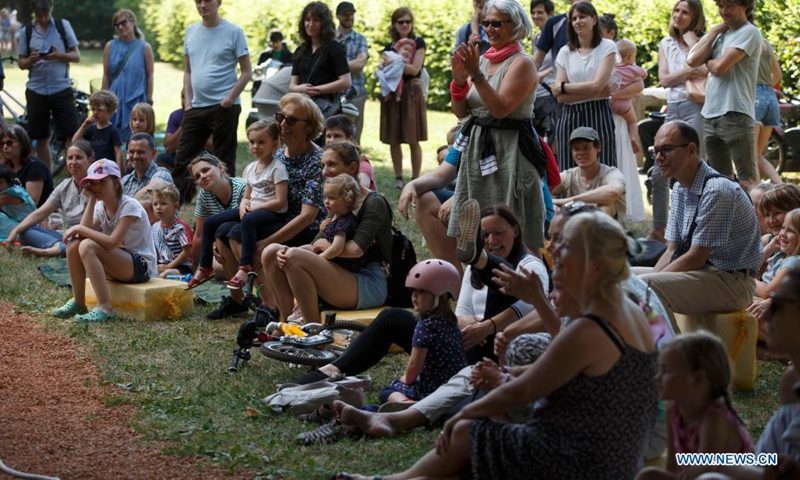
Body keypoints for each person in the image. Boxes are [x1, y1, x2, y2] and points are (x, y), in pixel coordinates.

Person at [335, 210, 657, 480]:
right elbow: (581, 370)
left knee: (467, 433)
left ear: (596, 265)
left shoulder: (591, 324)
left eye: (564, 250)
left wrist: (468, 414)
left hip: (583, 460)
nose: (553, 255)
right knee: (472, 445)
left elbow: (524, 391)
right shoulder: (622, 309)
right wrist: (509, 374)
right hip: (610, 456)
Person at [292, 204, 546, 387]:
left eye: (498, 233)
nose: (492, 239)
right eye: (485, 235)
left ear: (515, 230)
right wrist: (468, 324)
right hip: (464, 341)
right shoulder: (471, 272)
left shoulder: (532, 266)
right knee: (392, 317)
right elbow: (463, 312)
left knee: (505, 286)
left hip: (496, 348)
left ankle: (481, 260)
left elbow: (534, 309)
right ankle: (331, 370)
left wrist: (487, 327)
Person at [635, 121, 761, 330]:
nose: (658, 158)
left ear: (691, 149)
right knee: (623, 277)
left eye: (666, 149)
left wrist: (648, 283)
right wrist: (646, 280)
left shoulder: (717, 190)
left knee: (646, 288)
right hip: (704, 273)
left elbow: (696, 256)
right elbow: (672, 250)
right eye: (654, 151)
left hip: (733, 282)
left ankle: (673, 355)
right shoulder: (680, 188)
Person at [215, 94, 328, 319]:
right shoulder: (275, 153)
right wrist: (246, 202)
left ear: (309, 127)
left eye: (292, 120)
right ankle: (238, 301)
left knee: (238, 235)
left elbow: (307, 217)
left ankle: (271, 306)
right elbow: (254, 189)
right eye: (281, 117)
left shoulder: (318, 161)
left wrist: (266, 242)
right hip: (273, 217)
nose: (283, 125)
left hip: (305, 228)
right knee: (221, 233)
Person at [261, 139, 391, 324]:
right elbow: (316, 243)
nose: (324, 171)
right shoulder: (337, 200)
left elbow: (355, 250)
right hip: (339, 269)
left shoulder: (373, 202)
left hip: (367, 281)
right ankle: (287, 321)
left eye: (332, 164)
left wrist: (318, 248)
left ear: (353, 167)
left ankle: (311, 329)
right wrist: (295, 250)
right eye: (322, 165)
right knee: (271, 252)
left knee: (295, 256)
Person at [449, 0, 544, 251]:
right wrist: (459, 82)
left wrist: (475, 75)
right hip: (478, 152)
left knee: (515, 225)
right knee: (474, 228)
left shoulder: (521, 63)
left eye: (496, 23)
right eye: (486, 23)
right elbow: (461, 112)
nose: (489, 29)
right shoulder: (481, 61)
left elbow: (500, 109)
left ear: (515, 26)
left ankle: (527, 284)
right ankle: (478, 283)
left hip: (511, 153)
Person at [636, 332, 755, 480]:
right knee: (648, 475)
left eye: (666, 370)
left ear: (698, 378)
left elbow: (707, 468)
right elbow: (673, 466)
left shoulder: (714, 419)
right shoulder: (672, 411)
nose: (657, 377)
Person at [51, 159, 157, 323]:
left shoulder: (130, 206)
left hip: (141, 267)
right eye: (93, 183)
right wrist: (92, 200)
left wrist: (79, 228)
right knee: (74, 245)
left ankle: (105, 309)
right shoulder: (100, 206)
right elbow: (82, 235)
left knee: (87, 245)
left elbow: (112, 242)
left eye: (102, 182)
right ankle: (79, 302)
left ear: (116, 182)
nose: (97, 187)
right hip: (119, 263)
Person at [173, 0, 251, 201]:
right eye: (198, 1)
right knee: (183, 160)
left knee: (224, 161)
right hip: (196, 108)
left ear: (218, 2)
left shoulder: (234, 31)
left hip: (224, 107)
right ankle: (173, 209)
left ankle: (229, 207)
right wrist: (188, 103)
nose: (202, 5)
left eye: (207, 0)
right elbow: (188, 70)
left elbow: (246, 72)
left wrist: (229, 98)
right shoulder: (191, 32)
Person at [649, 0, 708, 243]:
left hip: (697, 105)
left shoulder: (703, 41)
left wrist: (695, 49)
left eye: (685, 12)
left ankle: (695, 229)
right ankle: (658, 230)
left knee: (694, 167)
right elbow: (664, 79)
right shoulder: (666, 43)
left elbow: (707, 71)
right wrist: (688, 70)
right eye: (676, 10)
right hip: (673, 108)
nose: (679, 15)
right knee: (658, 171)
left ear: (695, 17)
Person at [686, 0, 762, 190]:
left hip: (736, 112)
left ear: (745, 5)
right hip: (711, 113)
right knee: (720, 181)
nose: (723, 11)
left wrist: (709, 62)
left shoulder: (749, 32)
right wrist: (713, 31)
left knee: (747, 181)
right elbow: (692, 60)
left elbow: (719, 67)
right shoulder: (721, 34)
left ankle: (755, 219)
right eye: (720, 6)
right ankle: (727, 219)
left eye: (729, 5)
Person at [379, 260, 466, 405]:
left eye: (422, 292)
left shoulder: (425, 327)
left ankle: (407, 403)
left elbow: (414, 366)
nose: (414, 296)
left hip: (432, 390)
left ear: (443, 296)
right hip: (455, 387)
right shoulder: (452, 324)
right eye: (414, 290)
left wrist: (405, 379)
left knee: (388, 391)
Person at [552, 1, 618, 170]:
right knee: (568, 170)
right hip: (569, 116)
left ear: (594, 19)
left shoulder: (607, 47)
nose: (578, 21)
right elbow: (559, 97)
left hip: (599, 113)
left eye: (582, 16)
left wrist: (565, 87)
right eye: (574, 18)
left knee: (604, 168)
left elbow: (597, 85)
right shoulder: (565, 52)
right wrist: (596, 92)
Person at [224, 119, 288, 290]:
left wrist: (254, 208)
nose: (255, 146)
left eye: (261, 142)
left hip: (273, 212)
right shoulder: (252, 167)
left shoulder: (278, 168)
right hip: (254, 209)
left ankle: (245, 268)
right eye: (252, 142)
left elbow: (281, 201)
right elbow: (247, 196)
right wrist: (243, 204)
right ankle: (204, 267)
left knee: (248, 221)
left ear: (275, 144)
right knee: (217, 225)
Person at [17, 0, 80, 168]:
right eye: (39, 16)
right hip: (36, 89)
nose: (43, 19)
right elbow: (21, 63)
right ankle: (47, 177)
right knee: (40, 136)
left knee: (71, 135)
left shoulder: (62, 26)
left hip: (61, 87)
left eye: (46, 15)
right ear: (34, 13)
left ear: (51, 10)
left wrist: (60, 55)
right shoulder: (27, 32)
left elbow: (76, 56)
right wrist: (31, 59)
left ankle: (73, 171)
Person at [4, 141, 91, 257]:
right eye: (70, 158)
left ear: (90, 160)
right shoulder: (64, 186)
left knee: (83, 244)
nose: (73, 162)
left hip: (90, 236)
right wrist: (15, 232)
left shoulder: (97, 184)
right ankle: (59, 247)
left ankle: (48, 251)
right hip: (68, 236)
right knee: (24, 232)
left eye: (79, 158)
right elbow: (41, 213)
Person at [184, 153, 247, 305]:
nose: (202, 177)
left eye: (206, 170)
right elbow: (198, 236)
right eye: (198, 176)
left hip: (245, 241)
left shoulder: (241, 187)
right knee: (218, 266)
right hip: (225, 242)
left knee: (212, 224)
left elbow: (249, 223)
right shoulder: (205, 195)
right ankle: (235, 297)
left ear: (220, 168)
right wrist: (194, 269)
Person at [381, 7, 428, 189]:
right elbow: (383, 69)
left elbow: (415, 69)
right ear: (394, 24)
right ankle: (398, 177)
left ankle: (415, 178)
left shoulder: (418, 42)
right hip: (393, 93)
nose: (405, 25)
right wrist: (398, 64)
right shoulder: (388, 46)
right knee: (393, 137)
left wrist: (394, 62)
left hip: (411, 92)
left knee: (412, 137)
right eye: (401, 21)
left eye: (408, 21)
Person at [290, 1, 352, 127]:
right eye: (307, 20)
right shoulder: (300, 50)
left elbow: (346, 82)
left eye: (316, 20)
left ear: (324, 23)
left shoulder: (335, 48)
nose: (310, 24)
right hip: (303, 109)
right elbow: (292, 84)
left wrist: (316, 90)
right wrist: (298, 89)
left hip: (328, 110)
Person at [101, 9, 154, 143]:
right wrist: (102, 100)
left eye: (123, 23)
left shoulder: (144, 47)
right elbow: (106, 76)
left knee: (138, 140)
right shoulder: (110, 46)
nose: (120, 27)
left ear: (133, 22)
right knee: (112, 141)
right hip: (114, 100)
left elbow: (150, 76)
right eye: (117, 25)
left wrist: (149, 100)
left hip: (136, 99)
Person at [551, 127, 626, 221]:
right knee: (553, 208)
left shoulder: (611, 173)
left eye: (586, 148)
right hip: (571, 231)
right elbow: (542, 189)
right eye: (576, 149)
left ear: (598, 148)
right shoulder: (569, 176)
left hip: (605, 232)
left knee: (605, 207)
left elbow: (613, 192)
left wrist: (566, 202)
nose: (581, 153)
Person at [748, 208, 800, 328]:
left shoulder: (794, 261)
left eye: (790, 230)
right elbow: (750, 265)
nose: (782, 234)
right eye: (783, 227)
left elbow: (767, 293)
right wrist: (769, 249)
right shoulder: (782, 255)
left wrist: (748, 278)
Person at [334, 2, 369, 144]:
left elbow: (360, 64)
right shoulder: (330, 38)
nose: (349, 17)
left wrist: (335, 66)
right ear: (337, 16)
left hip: (357, 93)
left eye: (351, 14)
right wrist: (350, 65)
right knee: (333, 133)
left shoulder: (361, 39)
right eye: (345, 14)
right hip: (334, 93)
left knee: (354, 135)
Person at [315, 173, 362, 272]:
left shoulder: (344, 222)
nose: (326, 201)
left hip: (343, 264)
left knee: (304, 254)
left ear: (347, 200)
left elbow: (336, 248)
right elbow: (332, 238)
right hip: (334, 258)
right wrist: (323, 231)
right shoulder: (336, 215)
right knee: (304, 249)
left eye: (331, 198)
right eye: (325, 197)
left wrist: (317, 259)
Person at [2, 125, 54, 208]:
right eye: (2, 143)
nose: (5, 147)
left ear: (21, 144)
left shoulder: (35, 166)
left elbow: (31, 204)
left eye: (9, 143)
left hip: (40, 216)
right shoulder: (7, 167)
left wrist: (5, 199)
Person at [754, 37, 783, 184]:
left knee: (751, 156)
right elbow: (778, 75)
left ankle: (756, 202)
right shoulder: (765, 42)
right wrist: (765, 88)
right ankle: (785, 191)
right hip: (770, 98)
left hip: (754, 96)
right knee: (758, 155)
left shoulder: (743, 40)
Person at [72, 90, 123, 172]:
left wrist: (120, 172)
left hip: (108, 169)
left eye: (99, 110)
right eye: (93, 109)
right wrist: (84, 125)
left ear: (110, 110)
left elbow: (118, 153)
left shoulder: (113, 131)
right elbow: (75, 141)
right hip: (93, 168)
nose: (95, 112)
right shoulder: (91, 129)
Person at [149, 183, 193, 278]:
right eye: (155, 204)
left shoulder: (180, 227)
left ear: (175, 206)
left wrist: (169, 266)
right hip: (162, 264)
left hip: (181, 267)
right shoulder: (154, 227)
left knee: (166, 274)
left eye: (163, 203)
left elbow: (187, 251)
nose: (158, 207)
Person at [530, 0, 559, 141]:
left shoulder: (556, 37)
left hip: (550, 94)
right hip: (535, 94)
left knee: (550, 141)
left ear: (550, 14)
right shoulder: (535, 38)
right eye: (533, 12)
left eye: (540, 12)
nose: (536, 16)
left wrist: (546, 73)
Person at [323, 115, 376, 191]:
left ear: (350, 139)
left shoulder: (363, 165)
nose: (331, 140)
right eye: (328, 136)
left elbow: (359, 188)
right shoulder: (324, 161)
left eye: (337, 136)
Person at [612, 39, 647, 154]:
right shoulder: (632, 68)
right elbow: (644, 74)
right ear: (630, 56)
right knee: (632, 121)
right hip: (624, 105)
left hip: (611, 104)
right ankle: (632, 138)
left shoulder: (612, 69)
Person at [120, 133, 173, 197]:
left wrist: (127, 205)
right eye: (131, 152)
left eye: (140, 152)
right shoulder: (125, 181)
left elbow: (153, 188)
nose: (135, 156)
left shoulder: (162, 174)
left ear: (153, 153)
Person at [252, 29, 293, 100]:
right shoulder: (265, 55)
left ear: (281, 41)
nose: (275, 45)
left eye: (277, 42)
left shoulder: (289, 55)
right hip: (267, 84)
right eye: (273, 42)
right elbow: (259, 72)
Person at [0, 165, 36, 242]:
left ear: (9, 182)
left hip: (28, 229)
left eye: (0, 182)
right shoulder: (15, 189)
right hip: (26, 225)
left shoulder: (7, 196)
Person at [376, 39, 415, 103]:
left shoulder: (405, 59)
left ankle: (398, 96)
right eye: (405, 49)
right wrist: (382, 64)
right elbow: (384, 60)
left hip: (398, 76)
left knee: (399, 84)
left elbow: (406, 65)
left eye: (410, 51)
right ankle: (387, 95)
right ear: (399, 49)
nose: (407, 52)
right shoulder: (392, 54)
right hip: (388, 73)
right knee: (384, 83)